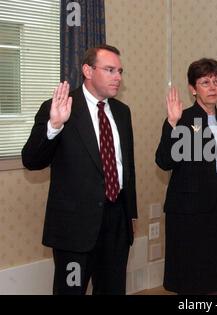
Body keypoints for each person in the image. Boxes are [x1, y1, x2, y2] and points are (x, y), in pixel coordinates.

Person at [22, 44, 137, 295]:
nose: (118, 77)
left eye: (120, 71)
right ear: (87, 70)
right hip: (75, 228)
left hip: (116, 222)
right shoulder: (60, 107)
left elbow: (126, 167)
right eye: (109, 70)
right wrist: (54, 125)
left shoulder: (122, 112)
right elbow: (31, 160)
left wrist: (131, 214)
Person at [155, 58, 217, 294]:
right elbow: (164, 161)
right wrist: (172, 123)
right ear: (192, 88)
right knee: (190, 276)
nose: (212, 87)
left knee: (216, 275)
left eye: (216, 81)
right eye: (205, 82)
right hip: (189, 211)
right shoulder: (182, 120)